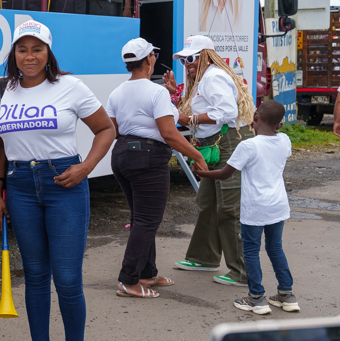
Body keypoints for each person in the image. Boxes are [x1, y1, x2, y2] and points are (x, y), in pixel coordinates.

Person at [0, 20, 114, 341]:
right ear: (14, 54)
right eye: (22, 49)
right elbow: (1, 145)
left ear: (48, 53)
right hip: (20, 186)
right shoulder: (7, 90)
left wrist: (86, 167)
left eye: (37, 49)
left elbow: (106, 129)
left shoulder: (69, 87)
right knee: (34, 276)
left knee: (66, 278)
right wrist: (1, 189)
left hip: (64, 182)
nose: (29, 56)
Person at [107, 38, 208, 299]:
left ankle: (146, 273)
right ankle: (128, 280)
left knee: (141, 217)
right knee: (147, 219)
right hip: (148, 157)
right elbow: (170, 134)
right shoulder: (156, 92)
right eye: (154, 54)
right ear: (149, 59)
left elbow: (113, 129)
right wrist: (197, 156)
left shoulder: (117, 92)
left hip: (121, 154)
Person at [194, 99, 298, 315]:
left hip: (255, 207)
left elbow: (225, 174)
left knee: (250, 250)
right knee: (275, 247)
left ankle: (256, 298)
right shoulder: (285, 140)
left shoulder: (248, 145)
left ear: (255, 119)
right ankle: (287, 295)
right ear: (280, 125)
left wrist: (202, 173)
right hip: (278, 206)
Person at [171, 35, 255, 287]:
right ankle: (204, 258)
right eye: (184, 59)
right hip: (215, 145)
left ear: (206, 55)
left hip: (229, 142)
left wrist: (191, 120)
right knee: (208, 202)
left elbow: (225, 112)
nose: (188, 63)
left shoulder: (214, 76)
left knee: (229, 208)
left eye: (192, 58)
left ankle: (243, 272)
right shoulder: (202, 79)